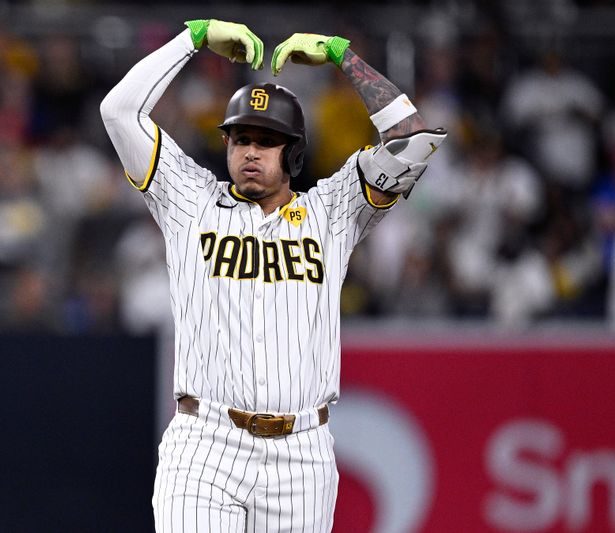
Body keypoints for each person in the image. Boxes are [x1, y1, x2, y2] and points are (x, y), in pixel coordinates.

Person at [100, 19, 445, 531]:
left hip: (301, 455)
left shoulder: (335, 211)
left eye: (267, 140)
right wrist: (191, 40)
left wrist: (342, 56)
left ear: (294, 152)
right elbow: (119, 110)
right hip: (205, 443)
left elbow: (412, 139)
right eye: (240, 138)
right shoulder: (190, 200)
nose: (250, 152)